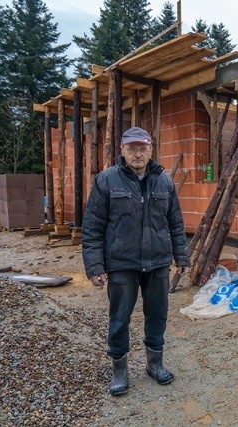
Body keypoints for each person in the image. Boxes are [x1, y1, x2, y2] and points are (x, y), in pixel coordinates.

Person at [82, 126, 189, 396]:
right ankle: (120, 369)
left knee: (157, 315)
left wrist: (182, 256)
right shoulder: (106, 180)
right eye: (132, 148)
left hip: (157, 263)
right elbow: (93, 227)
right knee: (119, 318)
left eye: (142, 148)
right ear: (122, 150)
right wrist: (95, 266)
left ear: (151, 150)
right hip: (121, 263)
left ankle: (155, 364)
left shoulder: (164, 181)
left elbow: (175, 223)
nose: (137, 154)